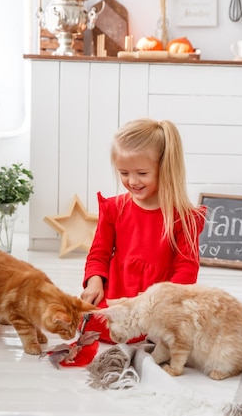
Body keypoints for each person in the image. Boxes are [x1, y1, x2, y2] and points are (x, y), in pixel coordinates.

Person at [80, 118, 207, 343]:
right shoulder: (113, 209)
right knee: (94, 320)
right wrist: (95, 281)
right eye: (124, 173)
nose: (132, 181)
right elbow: (98, 254)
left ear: (164, 169)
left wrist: (159, 298)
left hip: (159, 299)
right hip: (118, 294)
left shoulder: (184, 217)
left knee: (176, 330)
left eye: (141, 173)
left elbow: (187, 268)